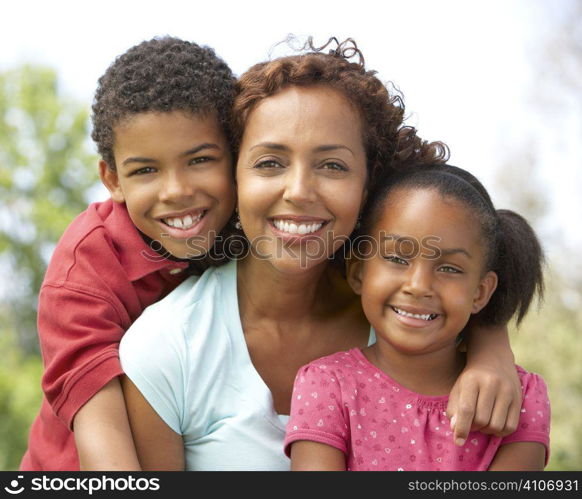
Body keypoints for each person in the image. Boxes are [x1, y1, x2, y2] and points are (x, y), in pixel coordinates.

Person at [119, 39, 525, 471]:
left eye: (332, 166)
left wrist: (490, 344)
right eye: (270, 163)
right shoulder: (166, 348)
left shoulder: (409, 311)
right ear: (234, 176)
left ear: (368, 185)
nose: (298, 191)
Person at [20, 36, 237, 471]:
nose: (176, 191)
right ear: (113, 179)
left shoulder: (254, 228)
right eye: (146, 171)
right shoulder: (83, 273)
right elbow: (107, 448)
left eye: (199, 160)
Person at [285, 164, 550, 471]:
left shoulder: (522, 396)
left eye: (449, 268)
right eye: (397, 259)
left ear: (480, 292)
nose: (418, 286)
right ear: (358, 272)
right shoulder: (326, 385)